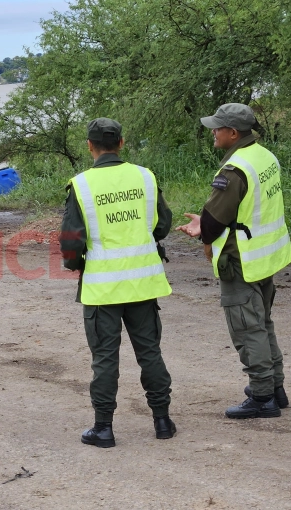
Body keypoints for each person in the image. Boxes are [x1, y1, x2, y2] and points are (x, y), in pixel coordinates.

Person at [60, 118, 175, 448]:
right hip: (143, 284)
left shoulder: (81, 186)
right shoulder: (144, 177)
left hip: (102, 289)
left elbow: (71, 241)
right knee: (150, 352)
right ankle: (162, 421)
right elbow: (162, 223)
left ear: (89, 146)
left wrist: (76, 265)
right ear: (121, 143)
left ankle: (104, 428)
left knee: (105, 359)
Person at [176, 103, 291, 419]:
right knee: (262, 323)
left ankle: (262, 397)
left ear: (233, 133)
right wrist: (207, 221)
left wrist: (200, 228)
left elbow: (214, 223)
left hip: (239, 260)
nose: (213, 132)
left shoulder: (234, 170)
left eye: (217, 127)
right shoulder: (264, 156)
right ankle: (275, 388)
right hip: (264, 256)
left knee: (247, 329)